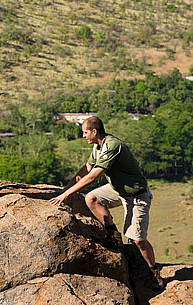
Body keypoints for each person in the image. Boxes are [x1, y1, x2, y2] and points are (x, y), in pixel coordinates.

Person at [49, 116, 164, 289]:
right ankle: (113, 235)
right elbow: (86, 169)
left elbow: (93, 176)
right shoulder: (97, 146)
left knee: (137, 240)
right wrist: (66, 189)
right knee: (92, 198)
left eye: (85, 132)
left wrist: (67, 195)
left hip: (137, 196)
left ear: (94, 132)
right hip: (118, 190)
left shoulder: (112, 146)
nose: (83, 136)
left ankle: (154, 272)